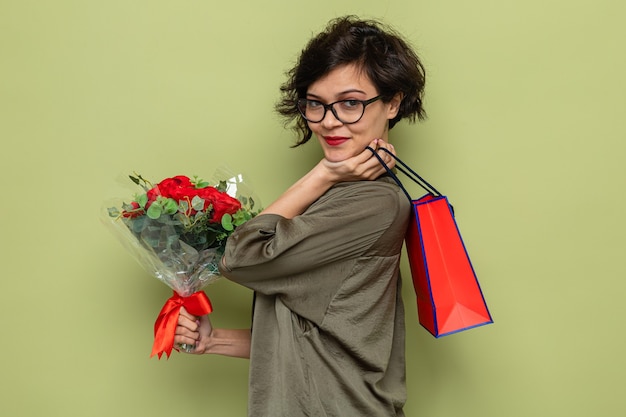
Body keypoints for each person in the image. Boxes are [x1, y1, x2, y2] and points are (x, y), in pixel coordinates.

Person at [175, 15, 426, 417]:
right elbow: (321, 339)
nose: (329, 121)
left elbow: (240, 258)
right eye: (315, 103)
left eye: (350, 103)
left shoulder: (372, 204)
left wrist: (323, 172)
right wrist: (214, 340)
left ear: (392, 102)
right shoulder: (339, 196)